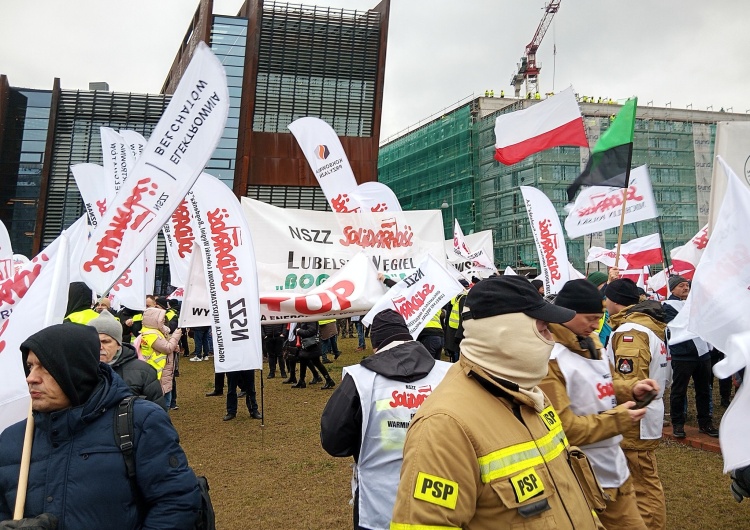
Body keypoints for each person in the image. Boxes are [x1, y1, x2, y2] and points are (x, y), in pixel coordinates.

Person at [390, 275, 605, 529]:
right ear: (506, 332)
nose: (552, 339)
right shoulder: (444, 426)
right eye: (544, 327)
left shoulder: (532, 394)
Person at [0, 323, 200, 528]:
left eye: (44, 366)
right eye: (30, 366)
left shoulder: (139, 422)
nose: (31, 378)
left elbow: (176, 503)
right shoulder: (13, 440)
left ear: (76, 369)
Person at [539, 279, 656, 530]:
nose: (596, 325)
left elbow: (605, 381)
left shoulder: (592, 342)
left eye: (599, 317)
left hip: (613, 467)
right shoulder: (551, 360)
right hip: (582, 478)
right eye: (590, 318)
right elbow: (564, 429)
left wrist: (632, 389)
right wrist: (620, 419)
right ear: (567, 314)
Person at [321, 309, 451, 530]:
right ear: (408, 336)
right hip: (442, 501)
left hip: (378, 506)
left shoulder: (360, 380)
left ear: (376, 346)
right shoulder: (449, 374)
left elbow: (334, 441)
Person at [605, 278, 670, 530]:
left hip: (636, 416)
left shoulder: (630, 332)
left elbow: (632, 381)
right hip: (644, 413)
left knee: (643, 483)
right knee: (638, 479)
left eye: (607, 298)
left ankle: (651, 525)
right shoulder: (646, 327)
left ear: (616, 301)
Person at [663, 275, 718, 438]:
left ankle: (705, 422)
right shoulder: (667, 306)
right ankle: (678, 423)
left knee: (704, 389)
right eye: (681, 286)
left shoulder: (695, 303)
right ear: (672, 289)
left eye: (687, 285)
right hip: (682, 354)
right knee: (679, 390)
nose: (686, 288)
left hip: (702, 353)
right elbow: (677, 325)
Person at [88, 310, 166, 410]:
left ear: (118, 344)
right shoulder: (78, 370)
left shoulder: (144, 372)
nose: (99, 347)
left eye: (105, 342)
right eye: (94, 341)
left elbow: (157, 414)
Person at [140, 307, 182, 409]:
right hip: (158, 372)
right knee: (163, 404)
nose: (164, 320)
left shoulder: (155, 332)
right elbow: (167, 348)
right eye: (161, 318)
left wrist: (173, 346)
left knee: (165, 399)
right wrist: (175, 336)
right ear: (154, 319)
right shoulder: (151, 335)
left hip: (162, 371)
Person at [293, 321, 335, 389]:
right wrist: (297, 330)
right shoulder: (304, 318)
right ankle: (301, 381)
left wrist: (299, 331)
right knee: (303, 360)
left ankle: (329, 380)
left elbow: (311, 331)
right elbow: (296, 330)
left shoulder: (311, 319)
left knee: (316, 362)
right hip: (306, 345)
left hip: (312, 345)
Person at [443, 281, 468, 363]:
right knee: (454, 352)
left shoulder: (463, 297)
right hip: (453, 329)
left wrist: (459, 333)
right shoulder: (457, 297)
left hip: (457, 330)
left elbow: (462, 316)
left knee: (457, 353)